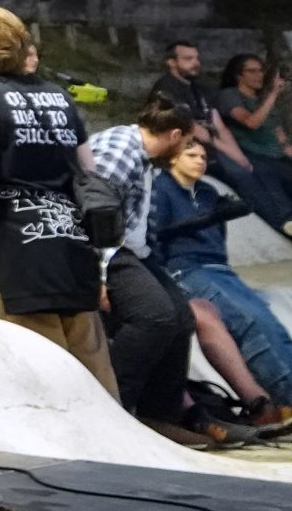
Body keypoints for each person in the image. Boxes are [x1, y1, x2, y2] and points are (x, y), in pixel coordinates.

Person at [83, 100, 282, 442]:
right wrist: (98, 275)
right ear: (175, 136)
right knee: (155, 317)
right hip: (104, 250)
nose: (196, 153)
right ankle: (112, 405)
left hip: (132, 249)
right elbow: (93, 212)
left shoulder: (142, 157)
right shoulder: (121, 151)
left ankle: (162, 414)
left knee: (181, 316)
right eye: (189, 143)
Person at [0, 7, 117, 397]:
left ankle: (62, 435)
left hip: (19, 244)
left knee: (41, 362)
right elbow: (89, 172)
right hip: (73, 242)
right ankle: (112, 432)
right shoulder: (58, 96)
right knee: (91, 357)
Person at [151, 139, 292, 410]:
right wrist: (205, 220)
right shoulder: (160, 189)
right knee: (248, 321)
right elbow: (156, 236)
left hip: (219, 267)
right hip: (185, 268)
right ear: (172, 158)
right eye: (192, 155)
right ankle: (285, 395)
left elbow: (218, 235)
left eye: (203, 157)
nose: (200, 161)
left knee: (270, 323)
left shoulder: (207, 191)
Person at [156, 40, 292, 238]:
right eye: (188, 59)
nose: (196, 63)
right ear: (171, 62)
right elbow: (197, 130)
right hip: (186, 151)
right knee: (244, 174)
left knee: (248, 168)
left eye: (196, 58)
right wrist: (233, 155)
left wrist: (239, 156)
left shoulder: (199, 89)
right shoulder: (166, 89)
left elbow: (220, 127)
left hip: (213, 149)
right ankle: (282, 222)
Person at [218, 54, 292, 219]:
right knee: (280, 203)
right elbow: (251, 122)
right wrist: (273, 94)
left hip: (277, 156)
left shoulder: (262, 100)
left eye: (261, 70)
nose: (259, 75)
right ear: (239, 75)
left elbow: (281, 137)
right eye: (252, 71)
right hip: (256, 157)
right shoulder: (229, 95)